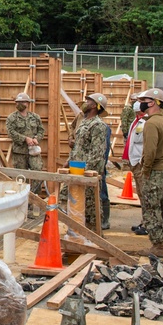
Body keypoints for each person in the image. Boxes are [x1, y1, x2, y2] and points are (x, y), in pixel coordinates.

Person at [133, 88, 163, 257]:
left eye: (144, 100)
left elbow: (150, 151)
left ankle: (158, 245)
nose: (141, 103)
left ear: (152, 102)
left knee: (151, 208)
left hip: (156, 171)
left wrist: (146, 170)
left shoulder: (151, 123)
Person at [61, 93, 110, 229]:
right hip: (77, 168)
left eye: (88, 101)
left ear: (94, 106)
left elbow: (97, 154)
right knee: (71, 201)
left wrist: (84, 171)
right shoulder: (84, 122)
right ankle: (79, 233)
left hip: (86, 172)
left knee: (90, 208)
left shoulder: (98, 125)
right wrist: (69, 161)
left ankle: (93, 234)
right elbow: (79, 146)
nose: (85, 102)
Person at [5, 92, 45, 196]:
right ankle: (22, 199)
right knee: (20, 178)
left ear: (27, 103)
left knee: (37, 173)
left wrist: (36, 138)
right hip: (19, 152)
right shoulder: (12, 118)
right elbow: (11, 132)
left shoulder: (35, 117)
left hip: (33, 152)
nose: (19, 104)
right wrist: (24, 139)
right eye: (17, 102)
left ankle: (35, 199)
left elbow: (41, 131)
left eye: (22, 102)